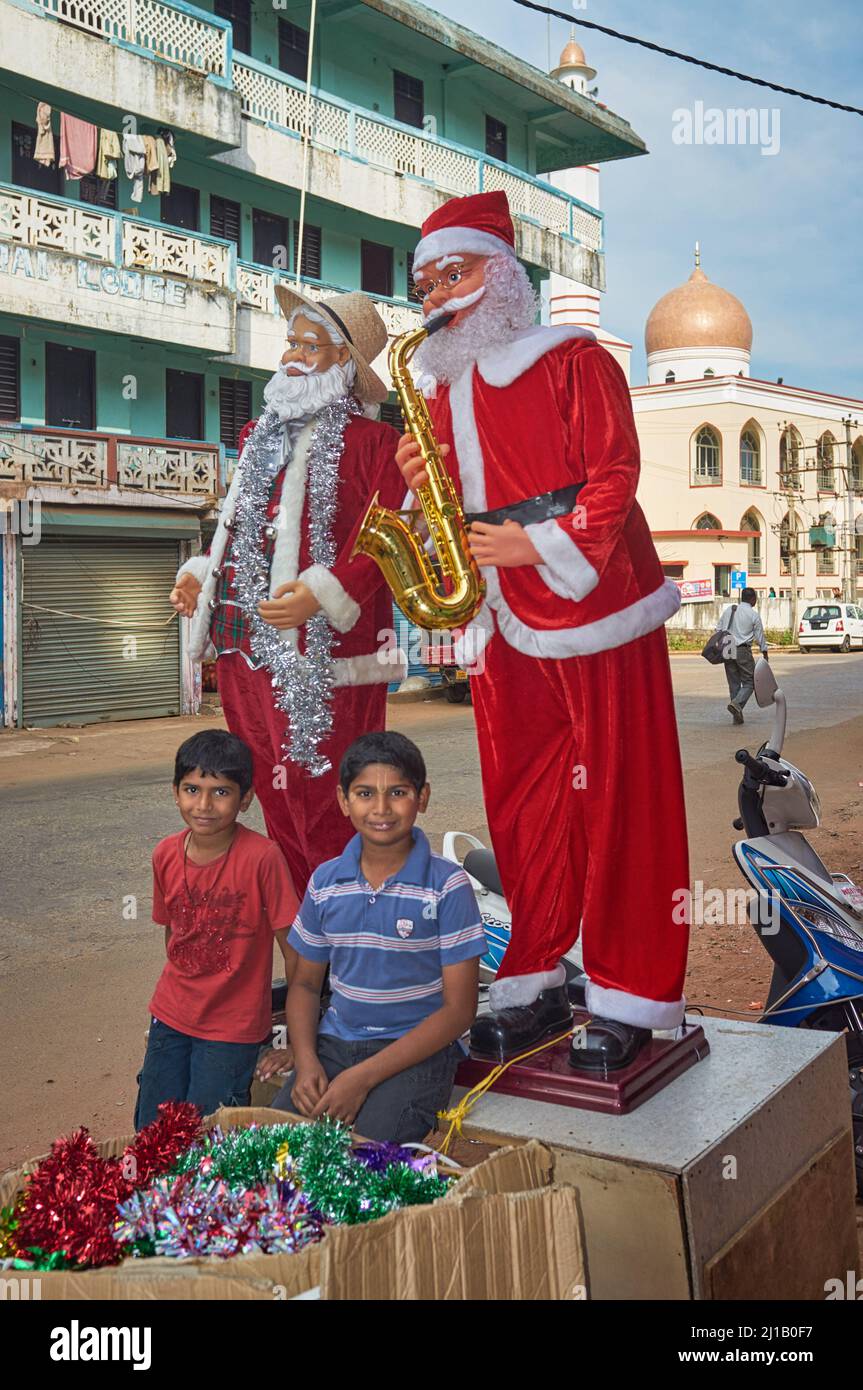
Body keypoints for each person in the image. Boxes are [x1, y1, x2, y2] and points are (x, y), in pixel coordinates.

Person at [395, 190, 690, 1070]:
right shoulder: (441, 387)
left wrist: (536, 540)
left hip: (592, 602)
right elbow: (441, 505)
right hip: (496, 613)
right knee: (521, 803)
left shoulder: (572, 359)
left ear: (502, 273)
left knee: (621, 796)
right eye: (423, 284)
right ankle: (534, 977)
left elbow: (615, 472)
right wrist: (419, 480)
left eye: (454, 273)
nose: (435, 295)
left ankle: (631, 992)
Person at [169, 291, 406, 900]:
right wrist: (203, 571)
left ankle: (353, 942)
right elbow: (237, 525)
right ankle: (310, 949)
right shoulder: (257, 435)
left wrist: (322, 595)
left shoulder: (376, 445)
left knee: (327, 803)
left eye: (311, 345)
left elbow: (387, 543)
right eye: (292, 343)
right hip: (242, 645)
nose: (294, 356)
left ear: (346, 363)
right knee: (272, 801)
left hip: (324, 656)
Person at [270, 731, 487, 1141]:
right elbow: (303, 983)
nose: (381, 808)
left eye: (398, 792)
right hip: (334, 1044)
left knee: (365, 1161)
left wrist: (362, 1078)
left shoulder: (447, 885)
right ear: (343, 801)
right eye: (365, 793)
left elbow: (459, 1011)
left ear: (422, 798)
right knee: (273, 1151)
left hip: (416, 1053)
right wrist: (307, 1061)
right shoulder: (326, 882)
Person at [134, 729, 299, 1129]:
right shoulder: (165, 855)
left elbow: (295, 951)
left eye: (221, 792)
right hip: (170, 1016)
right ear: (175, 792)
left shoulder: (263, 858)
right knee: (153, 1130)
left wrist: (298, 1039)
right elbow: (172, 935)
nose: (204, 804)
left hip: (233, 1028)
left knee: (210, 1133)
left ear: (245, 799)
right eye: (192, 789)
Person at [715, 587, 769, 724]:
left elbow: (718, 629)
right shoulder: (753, 615)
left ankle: (737, 718)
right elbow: (760, 636)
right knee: (750, 682)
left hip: (727, 648)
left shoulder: (730, 610)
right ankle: (737, 704)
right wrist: (765, 653)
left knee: (734, 683)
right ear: (752, 599)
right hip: (742, 650)